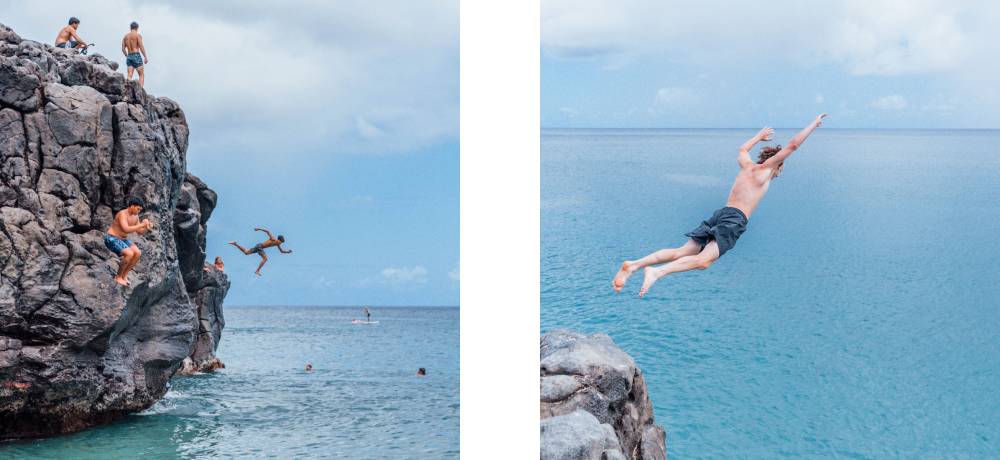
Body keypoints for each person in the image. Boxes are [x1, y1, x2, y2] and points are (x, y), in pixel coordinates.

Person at [612, 114, 827, 297]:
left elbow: (742, 149)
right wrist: (813, 124)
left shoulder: (746, 166)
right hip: (734, 220)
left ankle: (633, 264)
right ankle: (656, 272)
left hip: (722, 213)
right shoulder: (765, 170)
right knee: (704, 261)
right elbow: (793, 145)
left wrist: (758, 137)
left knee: (682, 251)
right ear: (777, 164)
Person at [105, 197, 152, 286]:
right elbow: (126, 229)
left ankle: (124, 276)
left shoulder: (136, 216)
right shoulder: (122, 214)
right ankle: (118, 277)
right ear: (132, 206)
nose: (139, 211)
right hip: (111, 238)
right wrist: (142, 224)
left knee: (137, 253)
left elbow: (139, 232)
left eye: (140, 210)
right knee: (129, 254)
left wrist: (146, 227)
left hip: (123, 239)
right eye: (138, 209)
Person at [121, 22, 148, 86]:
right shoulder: (137, 35)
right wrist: (145, 56)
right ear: (137, 28)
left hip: (129, 56)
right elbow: (141, 46)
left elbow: (123, 48)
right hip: (136, 55)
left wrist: (126, 55)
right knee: (141, 75)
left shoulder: (125, 37)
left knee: (129, 74)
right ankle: (141, 91)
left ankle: (127, 89)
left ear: (130, 28)